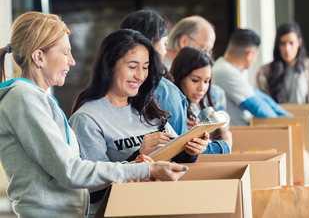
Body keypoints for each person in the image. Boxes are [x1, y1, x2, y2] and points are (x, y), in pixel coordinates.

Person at [0, 11, 189, 218]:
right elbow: (71, 171)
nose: (72, 61)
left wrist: (133, 165)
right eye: (65, 53)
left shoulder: (36, 98)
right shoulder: (23, 98)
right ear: (39, 57)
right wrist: (145, 170)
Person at [70, 29, 208, 217]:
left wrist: (190, 150)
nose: (140, 76)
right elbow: (93, 190)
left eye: (145, 67)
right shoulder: (87, 119)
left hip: (161, 207)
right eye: (133, 66)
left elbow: (173, 159)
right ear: (109, 65)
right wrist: (138, 156)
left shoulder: (147, 107)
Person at [120, 9, 188, 135]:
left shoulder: (111, 88)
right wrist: (223, 144)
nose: (165, 51)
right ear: (151, 43)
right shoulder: (166, 92)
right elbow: (182, 146)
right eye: (164, 43)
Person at [213, 29, 290, 126]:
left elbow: (259, 96)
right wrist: (285, 123)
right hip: (238, 136)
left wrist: (286, 116)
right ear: (250, 54)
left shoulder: (228, 69)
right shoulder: (225, 71)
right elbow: (258, 107)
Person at [170, 47, 232, 153]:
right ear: (180, 77)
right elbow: (185, 150)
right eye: (195, 80)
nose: (202, 88)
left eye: (206, 81)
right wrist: (225, 144)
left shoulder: (198, 107)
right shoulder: (172, 108)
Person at [165, 15, 227, 110]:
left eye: (209, 51)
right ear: (184, 42)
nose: (207, 56)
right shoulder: (161, 71)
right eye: (204, 49)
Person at [257, 22, 309, 104]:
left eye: (291, 43)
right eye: (282, 43)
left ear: (299, 42)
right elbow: (263, 103)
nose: (287, 49)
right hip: (279, 116)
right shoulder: (265, 72)